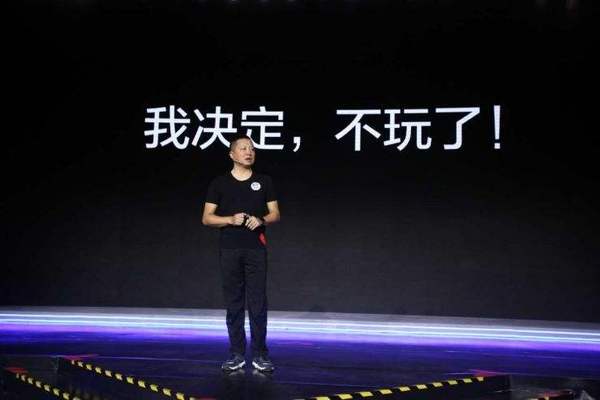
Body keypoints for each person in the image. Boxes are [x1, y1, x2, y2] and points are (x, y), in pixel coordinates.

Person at [202, 134, 280, 373]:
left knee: (258, 303)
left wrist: (261, 220)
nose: (249, 152)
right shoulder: (219, 183)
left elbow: (275, 214)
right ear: (232, 154)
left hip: (256, 249)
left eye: (252, 149)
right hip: (230, 249)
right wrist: (229, 219)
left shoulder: (264, 181)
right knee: (234, 303)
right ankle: (236, 354)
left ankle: (260, 354)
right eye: (244, 148)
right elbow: (207, 218)